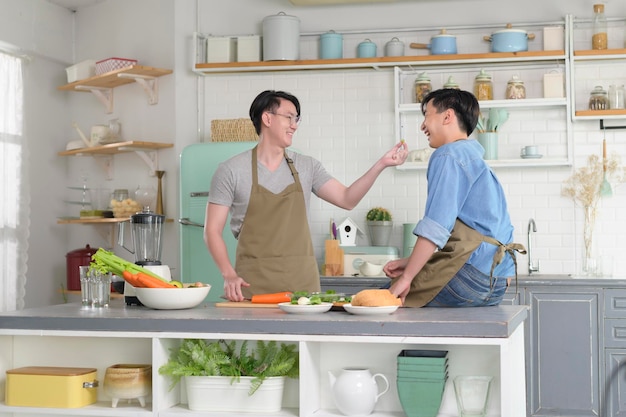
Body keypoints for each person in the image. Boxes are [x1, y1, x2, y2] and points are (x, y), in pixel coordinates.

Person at [204, 90, 408, 302]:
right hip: (251, 287)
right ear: (267, 118)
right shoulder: (231, 170)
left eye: (297, 119)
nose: (295, 125)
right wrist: (228, 274)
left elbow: (348, 199)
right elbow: (212, 231)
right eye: (289, 117)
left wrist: (381, 164)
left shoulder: (307, 166)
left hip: (302, 290)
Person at [384, 89, 525, 307]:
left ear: (447, 116)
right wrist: (410, 263)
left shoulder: (448, 155)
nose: (423, 126)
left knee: (375, 302)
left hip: (468, 278)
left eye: (427, 115)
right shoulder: (477, 161)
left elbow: (436, 226)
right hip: (497, 283)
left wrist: (407, 277)